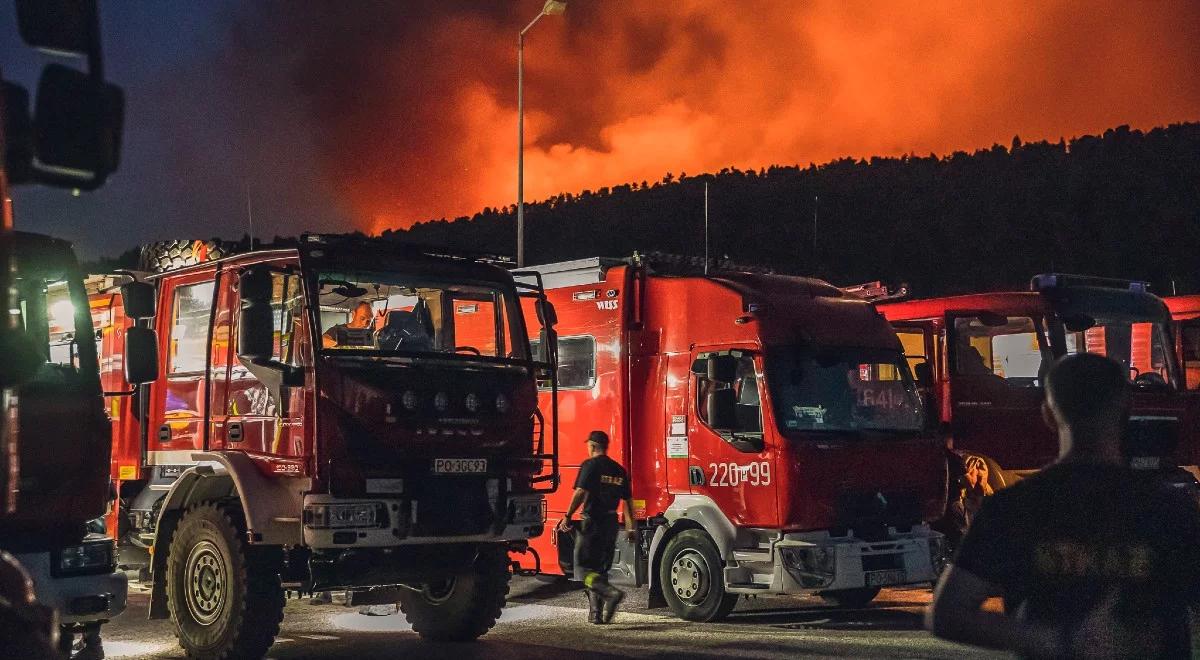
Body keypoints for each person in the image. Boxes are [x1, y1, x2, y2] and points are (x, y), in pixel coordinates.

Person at [926, 353, 1200, 658]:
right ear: (1126, 410)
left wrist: (1049, 640)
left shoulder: (1013, 508)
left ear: (1047, 414)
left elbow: (948, 613)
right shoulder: (1169, 509)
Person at [556, 431, 637, 625]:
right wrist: (630, 527)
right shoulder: (618, 470)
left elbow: (580, 492)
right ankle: (596, 615)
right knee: (599, 570)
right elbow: (628, 501)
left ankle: (611, 594)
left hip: (592, 522)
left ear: (592, 446)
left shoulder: (590, 465)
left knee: (583, 570)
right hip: (610, 524)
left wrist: (567, 516)